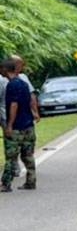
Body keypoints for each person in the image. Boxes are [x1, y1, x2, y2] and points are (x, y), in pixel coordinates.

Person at [2, 57, 36, 191]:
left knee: (11, 157)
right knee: (28, 155)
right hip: (28, 125)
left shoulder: (11, 85)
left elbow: (14, 105)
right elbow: (31, 100)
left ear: (5, 69)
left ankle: (6, 183)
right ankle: (31, 181)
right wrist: (34, 113)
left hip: (17, 127)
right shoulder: (24, 83)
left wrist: (10, 124)